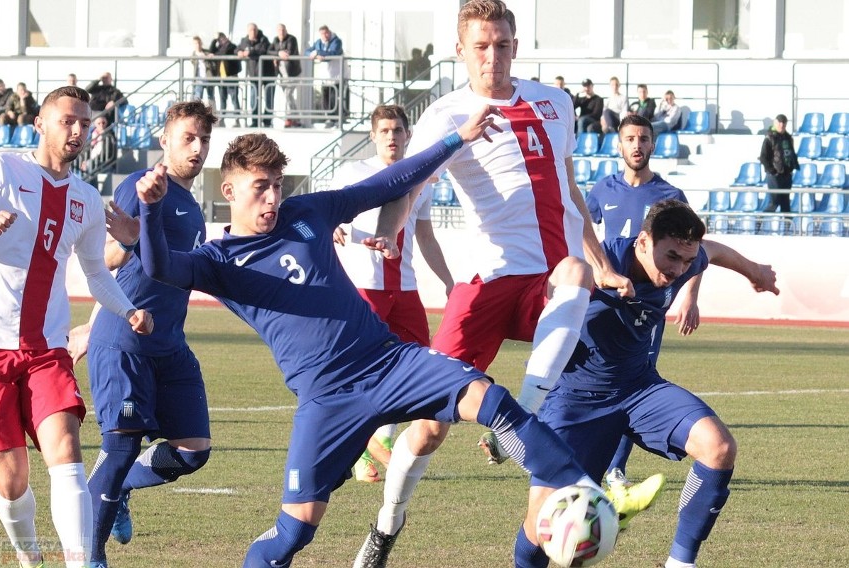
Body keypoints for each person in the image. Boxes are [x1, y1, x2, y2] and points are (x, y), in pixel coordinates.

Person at [136, 117, 608, 568]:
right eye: (260, 187)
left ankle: (584, 490)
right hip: (326, 399)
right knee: (295, 531)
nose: (272, 198)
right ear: (230, 190)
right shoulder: (215, 261)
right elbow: (160, 267)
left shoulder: (306, 213)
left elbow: (385, 186)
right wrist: (151, 209)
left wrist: (455, 141)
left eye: (278, 184)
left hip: (388, 362)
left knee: (492, 399)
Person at [353, 3, 636, 566]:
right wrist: (388, 229)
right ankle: (386, 525)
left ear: (515, 44)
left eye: (502, 44)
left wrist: (600, 261)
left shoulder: (554, 104)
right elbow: (408, 185)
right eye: (481, 46)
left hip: (548, 283)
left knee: (577, 276)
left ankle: (522, 415)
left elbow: (569, 187)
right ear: (461, 51)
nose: (493, 56)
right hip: (483, 286)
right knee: (430, 430)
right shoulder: (446, 114)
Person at [516, 199, 779, 568]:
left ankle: (680, 564)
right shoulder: (602, 260)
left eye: (686, 261)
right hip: (575, 401)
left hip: (640, 390)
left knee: (718, 447)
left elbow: (713, 251)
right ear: (642, 241)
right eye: (671, 256)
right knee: (543, 527)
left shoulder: (683, 262)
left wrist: (754, 272)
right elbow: (559, 278)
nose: (678, 269)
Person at [0, 86, 152, 568]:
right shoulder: (3, 168)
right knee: (10, 477)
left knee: (65, 449)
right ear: (39, 123)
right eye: (67, 121)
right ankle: (28, 555)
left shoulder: (85, 198)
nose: (78, 131)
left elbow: (96, 274)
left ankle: (81, 564)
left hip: (48, 350)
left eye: (85, 124)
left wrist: (127, 309)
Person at [67, 101, 217, 568]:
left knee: (193, 451)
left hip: (170, 343)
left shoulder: (192, 205)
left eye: (204, 140)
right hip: (128, 340)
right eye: (188, 137)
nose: (197, 148)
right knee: (121, 446)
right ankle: (89, 557)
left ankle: (125, 486)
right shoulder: (142, 185)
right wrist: (129, 242)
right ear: (165, 140)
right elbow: (107, 258)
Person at [326, 104, 454, 483]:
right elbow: (324, 211)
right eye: (384, 130)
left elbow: (426, 235)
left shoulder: (418, 178)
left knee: (418, 369)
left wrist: (448, 280)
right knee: (363, 371)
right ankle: (365, 450)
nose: (392, 137)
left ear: (407, 135)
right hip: (365, 286)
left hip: (406, 288)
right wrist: (330, 223)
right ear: (373, 135)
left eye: (398, 130)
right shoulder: (353, 173)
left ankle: (380, 443)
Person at [585, 114, 702, 516]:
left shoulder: (671, 193)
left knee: (635, 378)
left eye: (645, 139)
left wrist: (689, 296)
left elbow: (694, 252)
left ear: (653, 145)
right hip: (608, 301)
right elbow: (580, 232)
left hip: (649, 307)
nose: (637, 145)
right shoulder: (602, 190)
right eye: (630, 138)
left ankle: (615, 472)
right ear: (619, 145)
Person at [305, 25, 346, 127]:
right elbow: (307, 51)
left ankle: (336, 119)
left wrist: (318, 52)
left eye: (326, 33)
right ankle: (328, 118)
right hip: (326, 76)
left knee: (335, 97)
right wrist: (312, 53)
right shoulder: (319, 43)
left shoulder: (336, 41)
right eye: (322, 34)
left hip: (337, 75)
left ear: (329, 32)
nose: (325, 36)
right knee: (325, 97)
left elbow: (333, 53)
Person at [759, 113, 799, 213]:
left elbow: (791, 153)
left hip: (786, 175)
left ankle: (787, 227)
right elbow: (763, 157)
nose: (782, 125)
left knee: (786, 204)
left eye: (784, 123)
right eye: (780, 123)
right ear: (775, 123)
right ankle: (760, 221)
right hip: (774, 175)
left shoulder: (788, 138)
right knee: (774, 202)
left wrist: (792, 167)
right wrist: (772, 171)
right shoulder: (769, 138)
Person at [237, 23, 274, 127]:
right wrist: (239, 52)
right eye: (251, 30)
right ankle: (254, 121)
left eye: (254, 30)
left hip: (267, 73)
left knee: (268, 97)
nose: (253, 32)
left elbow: (263, 50)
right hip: (253, 74)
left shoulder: (263, 39)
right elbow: (237, 49)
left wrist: (250, 52)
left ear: (257, 30)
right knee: (254, 98)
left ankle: (267, 121)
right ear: (247, 31)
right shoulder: (244, 40)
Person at [269, 23, 302, 128]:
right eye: (279, 30)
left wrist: (278, 54)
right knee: (289, 97)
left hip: (293, 73)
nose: (281, 32)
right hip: (282, 74)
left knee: (288, 95)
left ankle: (289, 119)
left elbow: (289, 52)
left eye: (283, 30)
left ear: (286, 30)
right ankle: (296, 119)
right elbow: (269, 50)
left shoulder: (292, 39)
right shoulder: (275, 40)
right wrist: (278, 54)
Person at [209, 32, 243, 127]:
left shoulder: (231, 46)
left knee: (234, 98)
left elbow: (223, 53)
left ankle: (237, 120)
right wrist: (214, 40)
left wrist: (215, 55)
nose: (221, 40)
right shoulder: (219, 47)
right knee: (222, 99)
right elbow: (211, 51)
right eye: (219, 39)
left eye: (222, 38)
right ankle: (222, 119)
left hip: (231, 76)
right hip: (221, 77)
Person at [192, 35, 218, 105]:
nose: (197, 45)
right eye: (195, 43)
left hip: (208, 77)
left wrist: (209, 57)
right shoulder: (194, 54)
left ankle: (213, 112)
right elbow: (193, 61)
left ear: (201, 43)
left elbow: (212, 60)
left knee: (211, 96)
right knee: (198, 96)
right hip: (199, 78)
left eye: (198, 43)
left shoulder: (206, 52)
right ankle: (197, 113)